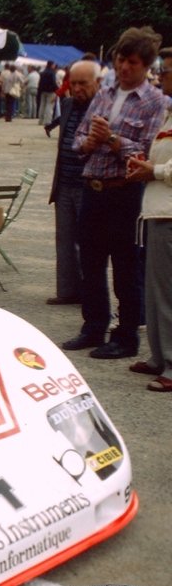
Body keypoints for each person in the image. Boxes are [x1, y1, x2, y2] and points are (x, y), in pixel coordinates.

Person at [62, 26, 166, 359]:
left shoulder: (156, 102)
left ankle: (125, 337)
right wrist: (89, 142)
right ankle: (93, 327)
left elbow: (147, 152)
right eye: (121, 60)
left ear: (146, 65)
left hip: (125, 192)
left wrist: (111, 140)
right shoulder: (104, 94)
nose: (124, 68)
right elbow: (78, 139)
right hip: (93, 188)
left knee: (125, 268)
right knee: (90, 264)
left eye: (132, 63)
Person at [126, 47, 172, 390]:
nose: (162, 76)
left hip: (168, 211)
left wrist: (153, 170)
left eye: (167, 71)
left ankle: (170, 363)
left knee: (167, 291)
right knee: (156, 291)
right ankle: (159, 355)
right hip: (157, 210)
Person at [46, 60, 100, 306]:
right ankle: (67, 291)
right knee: (64, 241)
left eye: (83, 84)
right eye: (74, 83)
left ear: (96, 84)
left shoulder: (102, 108)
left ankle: (90, 293)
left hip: (88, 185)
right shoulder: (66, 104)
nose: (77, 88)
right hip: (64, 183)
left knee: (89, 244)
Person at [38, 61, 58, 126]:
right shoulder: (52, 73)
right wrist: (57, 89)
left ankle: (40, 120)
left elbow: (40, 82)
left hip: (43, 91)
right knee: (49, 106)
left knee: (42, 105)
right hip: (51, 91)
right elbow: (53, 82)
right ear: (52, 65)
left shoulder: (42, 72)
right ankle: (47, 121)